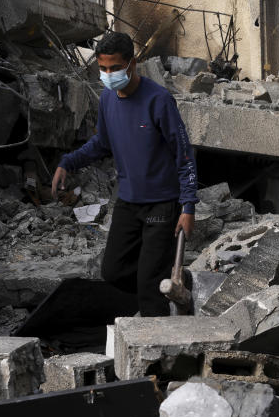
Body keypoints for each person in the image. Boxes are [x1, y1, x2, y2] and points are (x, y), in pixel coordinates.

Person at [52, 31, 198, 316]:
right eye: (103, 69)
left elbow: (184, 155)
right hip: (129, 202)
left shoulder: (159, 100)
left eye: (115, 68)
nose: (108, 74)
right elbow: (102, 143)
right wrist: (67, 162)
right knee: (113, 271)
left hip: (162, 204)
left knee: (147, 288)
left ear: (131, 64)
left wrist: (188, 206)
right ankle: (168, 283)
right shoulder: (107, 99)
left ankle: (160, 351)